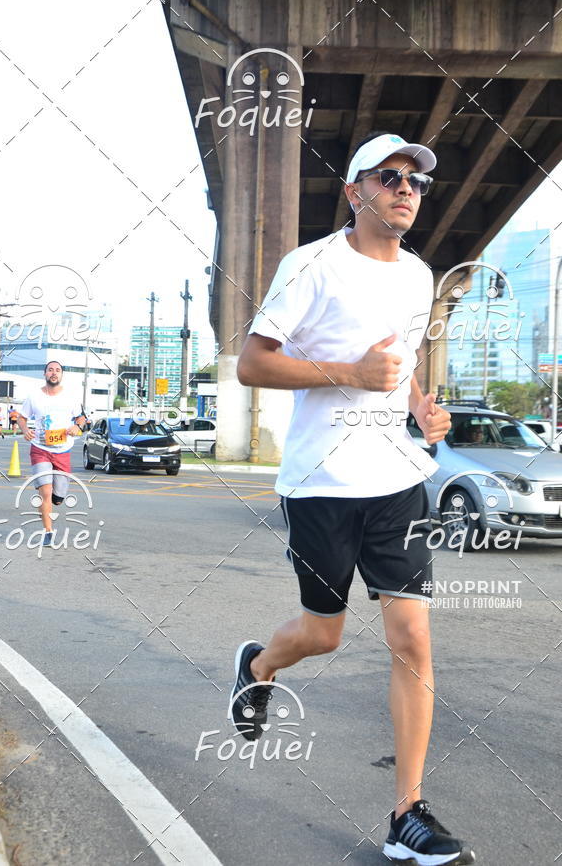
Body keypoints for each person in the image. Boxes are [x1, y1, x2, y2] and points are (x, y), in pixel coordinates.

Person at [233, 133, 474, 865]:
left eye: (417, 183)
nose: (406, 190)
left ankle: (408, 812)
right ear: (355, 192)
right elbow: (252, 363)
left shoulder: (420, 275)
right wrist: (347, 373)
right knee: (324, 633)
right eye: (389, 177)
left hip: (396, 480)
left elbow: (398, 370)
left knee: (413, 638)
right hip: (319, 486)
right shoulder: (309, 265)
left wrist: (423, 411)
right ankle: (259, 668)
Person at [17, 361, 85, 547]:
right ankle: (48, 532)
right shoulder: (34, 396)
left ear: (62, 375)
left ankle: (57, 496)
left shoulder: (70, 397)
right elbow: (21, 417)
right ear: (44, 373)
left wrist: (77, 426)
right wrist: (25, 430)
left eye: (57, 370)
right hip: (40, 449)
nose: (54, 373)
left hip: (63, 450)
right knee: (45, 492)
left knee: (58, 497)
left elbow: (82, 417)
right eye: (50, 370)